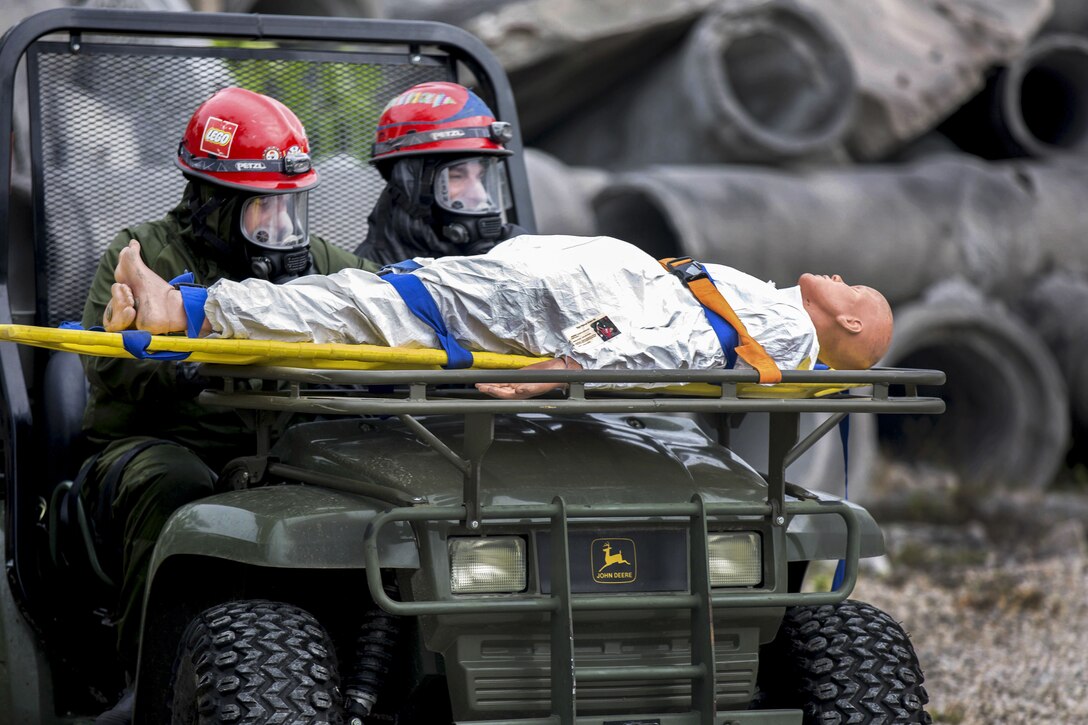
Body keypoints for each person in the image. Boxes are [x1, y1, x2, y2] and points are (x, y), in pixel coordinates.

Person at [80, 87, 377, 725]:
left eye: (291, 208)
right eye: (263, 210)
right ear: (213, 203)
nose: (282, 231)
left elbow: (381, 305)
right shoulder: (142, 255)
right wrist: (186, 362)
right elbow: (108, 366)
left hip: (289, 450)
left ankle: (369, 669)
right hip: (163, 443)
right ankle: (146, 681)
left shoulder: (317, 260)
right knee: (173, 481)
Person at [103, 234, 894, 401]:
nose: (839, 274)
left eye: (854, 289)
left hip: (562, 309)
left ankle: (184, 307)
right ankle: (189, 305)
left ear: (851, 329)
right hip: (557, 287)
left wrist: (554, 372)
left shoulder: (774, 337)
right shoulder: (774, 310)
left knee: (380, 306)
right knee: (392, 298)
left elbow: (659, 340)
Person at [354, 80, 528, 264]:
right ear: (409, 184)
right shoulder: (367, 280)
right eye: (456, 176)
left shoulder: (505, 255)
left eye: (482, 177)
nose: (480, 196)